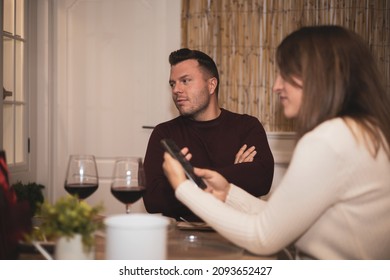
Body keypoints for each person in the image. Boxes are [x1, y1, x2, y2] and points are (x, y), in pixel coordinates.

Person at [162, 26, 390, 259]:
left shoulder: (328, 140)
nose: (276, 86)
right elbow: (281, 220)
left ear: (321, 75)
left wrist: (184, 187)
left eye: (286, 74)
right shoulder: (365, 132)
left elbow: (262, 238)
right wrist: (229, 193)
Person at [143, 48, 274, 221]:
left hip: (238, 231)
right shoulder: (164, 133)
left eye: (185, 81)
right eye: (173, 84)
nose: (176, 90)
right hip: (184, 235)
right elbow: (152, 199)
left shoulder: (246, 126)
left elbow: (261, 181)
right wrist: (235, 173)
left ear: (211, 85)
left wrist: (183, 180)